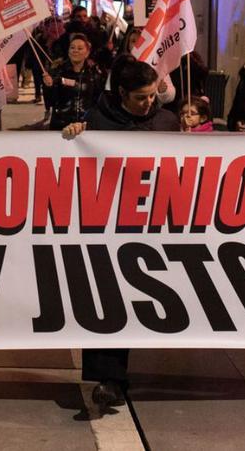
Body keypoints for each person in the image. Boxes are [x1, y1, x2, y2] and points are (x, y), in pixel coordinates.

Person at [60, 58, 178, 411]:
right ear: (122, 93)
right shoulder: (97, 122)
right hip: (110, 224)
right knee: (107, 296)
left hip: (156, 225)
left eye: (152, 95)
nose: (149, 103)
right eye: (141, 98)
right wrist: (72, 139)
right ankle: (109, 378)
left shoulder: (166, 122)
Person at [44, 33, 103, 131]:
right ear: (68, 51)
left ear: (87, 53)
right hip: (61, 125)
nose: (75, 50)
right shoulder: (58, 71)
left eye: (80, 48)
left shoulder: (94, 73)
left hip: (85, 126)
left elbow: (98, 101)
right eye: (72, 48)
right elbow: (50, 102)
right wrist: (48, 86)